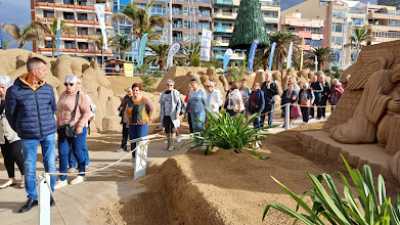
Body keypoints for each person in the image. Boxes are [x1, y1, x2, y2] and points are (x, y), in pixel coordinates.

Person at [6, 57, 57, 213]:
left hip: (48, 133)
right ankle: (33, 197)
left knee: (51, 164)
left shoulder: (48, 88)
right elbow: (10, 114)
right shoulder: (14, 91)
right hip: (28, 136)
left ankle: (49, 193)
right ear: (34, 71)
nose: (46, 72)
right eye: (43, 69)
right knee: (29, 167)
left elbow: (52, 108)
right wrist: (20, 129)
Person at [55, 75, 91, 189]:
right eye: (66, 84)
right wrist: (57, 125)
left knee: (77, 151)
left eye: (71, 84)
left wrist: (80, 125)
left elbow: (87, 112)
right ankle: (62, 178)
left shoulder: (81, 96)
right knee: (62, 152)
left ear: (76, 84)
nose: (68, 86)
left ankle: (81, 173)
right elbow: (59, 111)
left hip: (77, 129)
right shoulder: (63, 94)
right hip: (63, 129)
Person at [0, 75, 24, 189]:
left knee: (17, 155)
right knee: (7, 157)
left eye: (2, 87)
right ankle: (11, 178)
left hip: (14, 134)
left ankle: (25, 177)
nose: (0, 90)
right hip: (2, 134)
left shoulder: (14, 99)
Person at [124, 83, 153, 157]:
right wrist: (128, 119)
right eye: (134, 90)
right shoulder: (130, 100)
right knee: (133, 143)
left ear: (140, 91)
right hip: (132, 125)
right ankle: (134, 160)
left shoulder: (144, 100)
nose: (135, 92)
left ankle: (141, 163)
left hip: (142, 125)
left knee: (141, 142)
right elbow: (127, 110)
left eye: (137, 90)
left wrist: (148, 118)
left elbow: (151, 109)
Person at [159, 79, 182, 151]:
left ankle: (172, 145)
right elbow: (161, 104)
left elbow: (179, 104)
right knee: (167, 130)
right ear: (166, 85)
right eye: (168, 85)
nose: (169, 86)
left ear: (173, 86)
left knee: (173, 130)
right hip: (165, 114)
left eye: (171, 85)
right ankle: (168, 144)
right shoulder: (163, 93)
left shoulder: (175, 92)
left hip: (173, 114)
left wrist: (177, 112)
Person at [118, 87, 133, 152]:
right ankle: (123, 147)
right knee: (124, 133)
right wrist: (120, 108)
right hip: (125, 119)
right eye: (127, 91)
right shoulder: (125, 97)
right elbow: (121, 106)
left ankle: (131, 147)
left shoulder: (134, 98)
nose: (128, 92)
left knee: (131, 134)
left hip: (131, 120)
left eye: (129, 91)